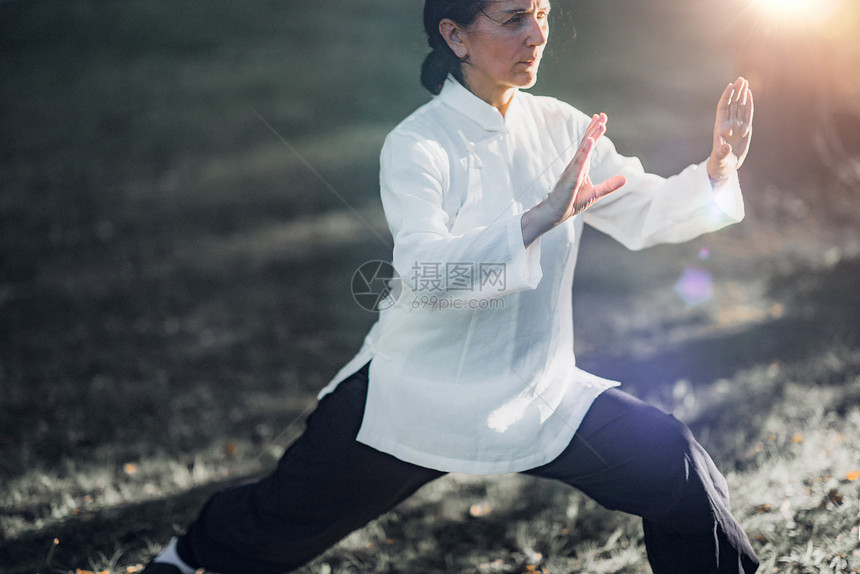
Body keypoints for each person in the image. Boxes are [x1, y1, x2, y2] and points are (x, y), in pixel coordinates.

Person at [143, 0, 758, 572]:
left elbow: (646, 207)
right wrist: (538, 217)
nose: (538, 35)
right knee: (278, 522)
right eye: (514, 18)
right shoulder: (417, 144)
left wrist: (716, 170)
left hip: (535, 394)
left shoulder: (565, 127)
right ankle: (181, 561)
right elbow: (427, 278)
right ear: (456, 36)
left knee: (674, 464)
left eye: (542, 13)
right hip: (417, 396)